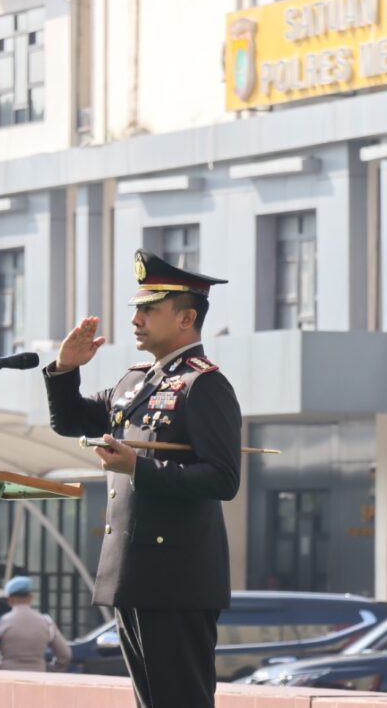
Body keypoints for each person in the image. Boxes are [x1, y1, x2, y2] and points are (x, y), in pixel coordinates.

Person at [43, 249, 242, 708]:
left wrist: (139, 467)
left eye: (149, 309)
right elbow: (72, 420)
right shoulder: (134, 381)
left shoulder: (204, 384)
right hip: (133, 573)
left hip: (177, 577)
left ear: (186, 318)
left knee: (180, 700)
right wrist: (65, 369)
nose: (136, 318)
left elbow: (222, 479)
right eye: (136, 308)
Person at [0, 575, 72, 672]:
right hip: (38, 677)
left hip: (8, 678)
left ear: (9, 598)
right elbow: (65, 655)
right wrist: (51, 670)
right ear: (31, 597)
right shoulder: (47, 622)